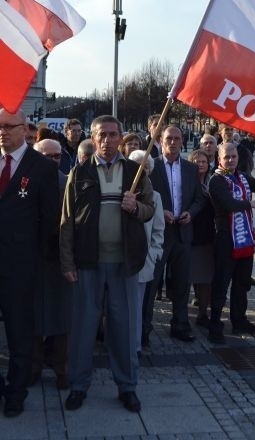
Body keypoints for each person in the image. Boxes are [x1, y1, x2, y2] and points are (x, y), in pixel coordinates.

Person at [59, 115, 154, 413]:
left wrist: (135, 207)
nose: (107, 140)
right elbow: (66, 221)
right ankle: (78, 385)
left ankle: (127, 387)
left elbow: (150, 209)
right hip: (88, 262)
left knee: (124, 328)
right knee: (84, 327)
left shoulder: (135, 173)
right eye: (102, 134)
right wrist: (67, 261)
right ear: (94, 136)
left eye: (113, 135)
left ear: (121, 137)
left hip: (124, 263)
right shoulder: (80, 173)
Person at [0, 109, 59, 417]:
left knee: (19, 332)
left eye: (9, 126)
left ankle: (16, 390)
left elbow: (50, 222)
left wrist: (38, 261)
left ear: (24, 129)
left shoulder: (41, 168)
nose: (3, 132)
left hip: (21, 266)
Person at [142, 126, 205, 345]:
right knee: (152, 284)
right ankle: (144, 329)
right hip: (160, 234)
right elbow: (145, 197)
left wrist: (191, 213)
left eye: (177, 138)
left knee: (181, 283)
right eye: (169, 138)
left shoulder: (189, 168)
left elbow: (199, 198)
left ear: (182, 141)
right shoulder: (152, 166)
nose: (173, 142)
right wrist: (161, 212)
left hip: (183, 234)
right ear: (160, 140)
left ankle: (180, 325)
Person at [208, 142, 255, 345]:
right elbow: (230, 205)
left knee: (242, 284)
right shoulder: (216, 180)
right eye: (226, 157)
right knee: (222, 284)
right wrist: (252, 203)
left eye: (233, 156)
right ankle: (215, 325)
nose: (231, 160)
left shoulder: (241, 177)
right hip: (225, 239)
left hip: (245, 240)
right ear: (219, 159)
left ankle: (239, 320)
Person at [31, 139, 71, 390]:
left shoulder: (69, 183)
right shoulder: (21, 181)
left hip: (60, 260)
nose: (52, 160)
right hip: (31, 260)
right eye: (46, 155)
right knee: (32, 319)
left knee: (62, 318)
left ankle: (61, 369)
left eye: (56, 156)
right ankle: (33, 368)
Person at [128, 150, 164, 356]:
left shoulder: (155, 197)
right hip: (119, 258)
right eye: (137, 166)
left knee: (136, 308)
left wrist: (154, 254)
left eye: (146, 167)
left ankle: (134, 347)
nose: (142, 170)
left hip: (142, 261)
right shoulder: (121, 190)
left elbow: (159, 230)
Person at [187, 149, 215, 327]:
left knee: (205, 277)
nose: (201, 164)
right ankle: (182, 315)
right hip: (188, 234)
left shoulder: (214, 182)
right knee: (186, 277)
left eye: (204, 161)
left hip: (207, 236)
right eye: (197, 161)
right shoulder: (185, 183)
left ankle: (203, 314)